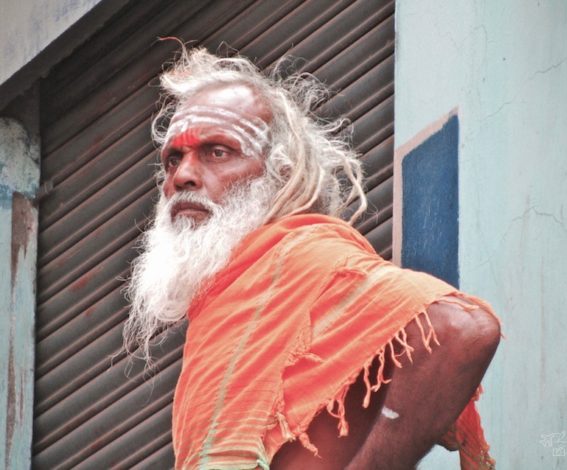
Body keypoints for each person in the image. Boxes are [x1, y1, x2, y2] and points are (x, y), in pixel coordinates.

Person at [123, 46, 501, 470]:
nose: (183, 176)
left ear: (279, 173)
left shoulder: (302, 257)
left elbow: (463, 328)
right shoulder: (222, 305)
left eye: (217, 152)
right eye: (173, 159)